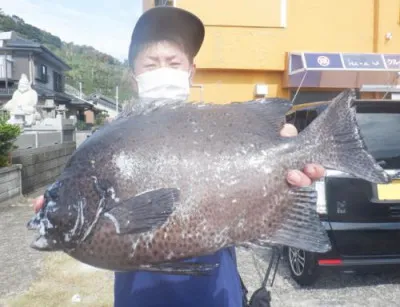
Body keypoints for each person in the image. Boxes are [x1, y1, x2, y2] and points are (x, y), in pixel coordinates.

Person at [32, 6, 325, 307]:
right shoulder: (106, 144)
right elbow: (87, 215)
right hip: (140, 297)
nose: (163, 71)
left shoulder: (221, 126)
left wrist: (286, 169)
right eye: (151, 64)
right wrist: (58, 215)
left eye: (173, 63)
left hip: (216, 293)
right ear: (134, 77)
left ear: (191, 71)